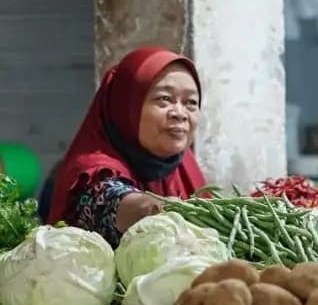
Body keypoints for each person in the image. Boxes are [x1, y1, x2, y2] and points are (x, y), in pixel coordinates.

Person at [48, 46, 207, 246]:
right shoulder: (92, 172)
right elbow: (109, 201)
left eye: (191, 102)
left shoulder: (185, 167)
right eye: (164, 99)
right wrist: (157, 208)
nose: (180, 113)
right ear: (126, 106)